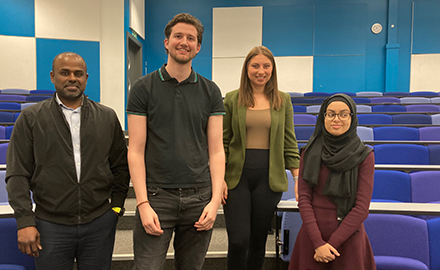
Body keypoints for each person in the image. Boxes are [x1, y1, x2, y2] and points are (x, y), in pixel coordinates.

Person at [6, 52, 130, 270]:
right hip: (50, 224)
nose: (72, 78)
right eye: (65, 73)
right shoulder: (31, 118)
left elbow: (120, 166)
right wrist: (24, 221)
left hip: (99, 223)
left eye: (78, 73)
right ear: (53, 77)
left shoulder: (107, 117)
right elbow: (17, 173)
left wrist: (117, 208)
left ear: (86, 78)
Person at [126, 13, 225, 270]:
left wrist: (214, 202)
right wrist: (143, 203)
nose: (184, 42)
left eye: (191, 38)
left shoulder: (211, 91)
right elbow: (135, 151)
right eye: (178, 36)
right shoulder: (142, 88)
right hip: (157, 197)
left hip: (199, 198)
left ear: (198, 47)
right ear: (166, 42)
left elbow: (216, 151)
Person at [222, 46, 300, 270]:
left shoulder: (282, 100)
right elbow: (224, 142)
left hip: (268, 180)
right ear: (246, 68)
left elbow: (289, 141)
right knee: (238, 241)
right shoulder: (232, 98)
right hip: (236, 178)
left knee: (257, 242)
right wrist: (219, 179)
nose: (261, 70)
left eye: (266, 66)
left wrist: (297, 178)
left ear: (272, 69)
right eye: (255, 65)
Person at [288, 94, 376, 269]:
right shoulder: (309, 152)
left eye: (344, 114)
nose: (337, 119)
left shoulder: (365, 155)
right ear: (323, 117)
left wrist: (332, 244)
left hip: (348, 238)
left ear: (352, 118)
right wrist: (318, 243)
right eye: (331, 114)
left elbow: (361, 208)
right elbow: (304, 198)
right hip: (313, 237)